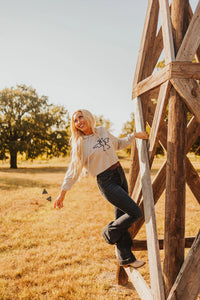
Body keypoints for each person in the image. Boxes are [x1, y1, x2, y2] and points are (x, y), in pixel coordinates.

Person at [54, 109, 148, 268]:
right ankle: (109, 232)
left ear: (87, 116)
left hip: (119, 175)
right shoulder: (80, 144)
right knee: (135, 212)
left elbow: (118, 144)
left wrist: (133, 136)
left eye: (80, 117)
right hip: (106, 181)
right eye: (75, 121)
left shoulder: (102, 131)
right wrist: (62, 194)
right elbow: (73, 171)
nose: (78, 122)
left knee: (122, 217)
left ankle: (126, 259)